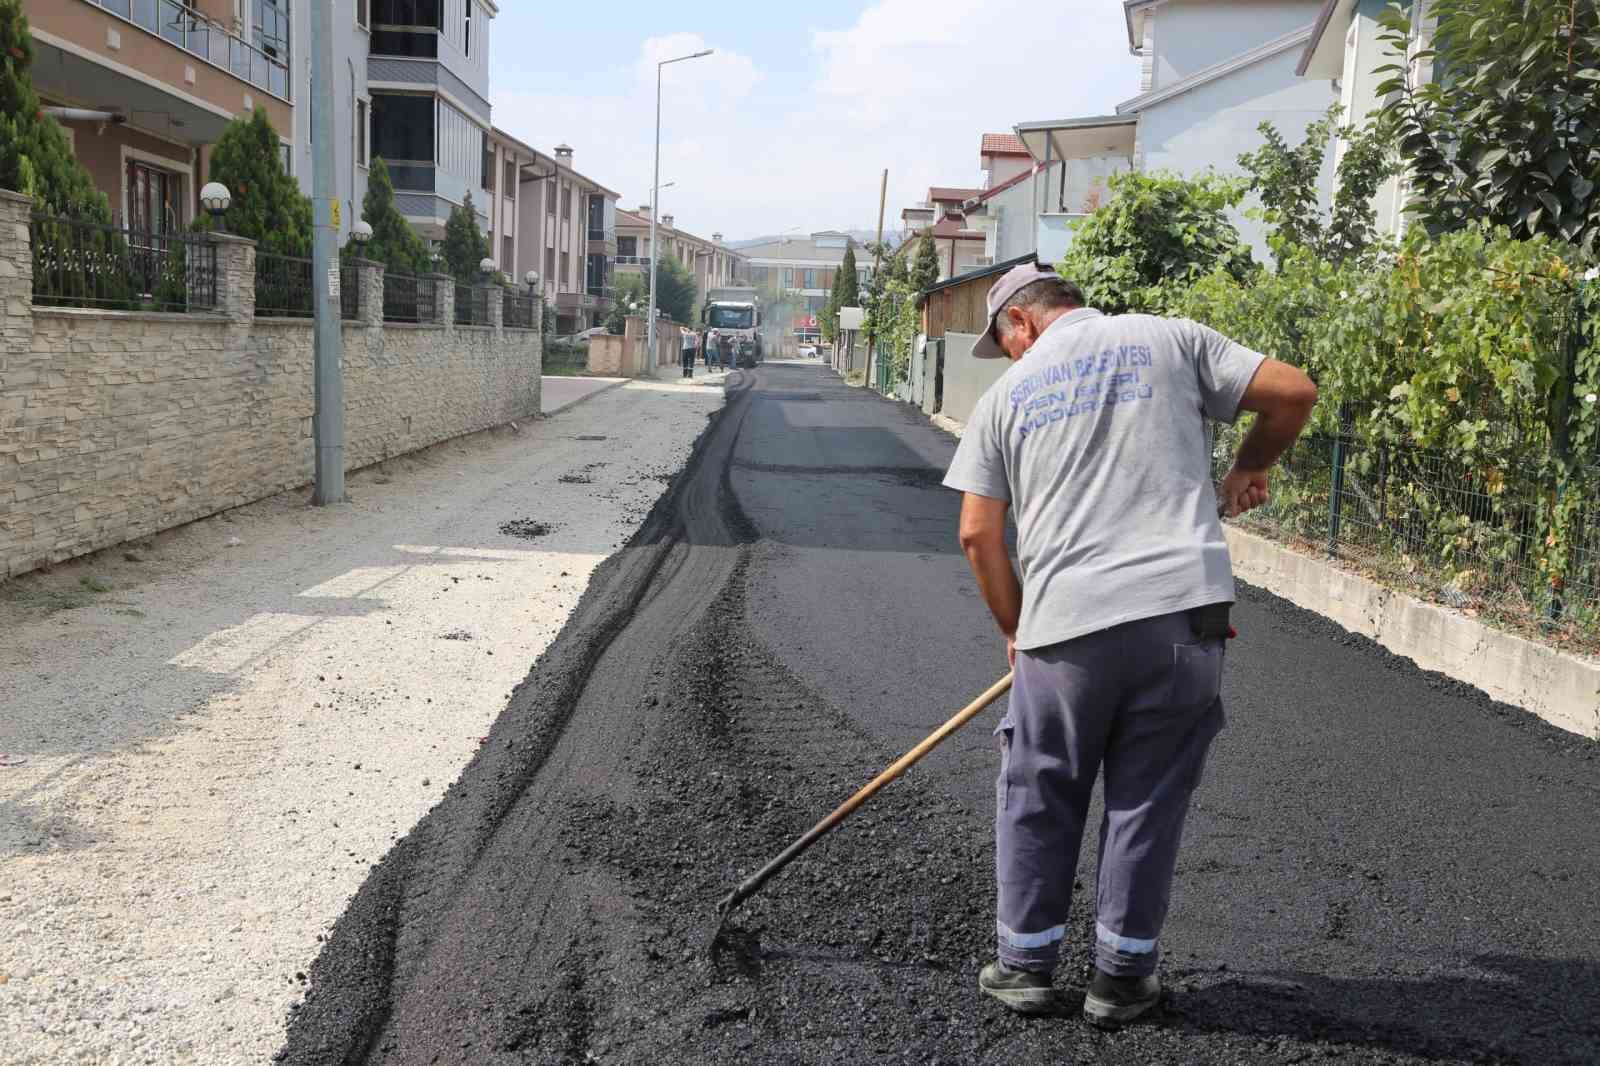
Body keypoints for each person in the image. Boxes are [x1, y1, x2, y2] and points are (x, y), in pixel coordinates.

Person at [942, 262, 1316, 1027]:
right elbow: (1294, 392)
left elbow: (979, 534)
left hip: (1065, 629)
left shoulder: (1007, 397)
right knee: (1147, 800)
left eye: (1004, 341)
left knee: (1041, 791)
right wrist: (1251, 465)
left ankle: (1024, 969)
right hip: (1184, 620)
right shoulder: (1169, 338)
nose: (1010, 355)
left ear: (1022, 323)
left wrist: (1017, 630)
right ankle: (1120, 981)